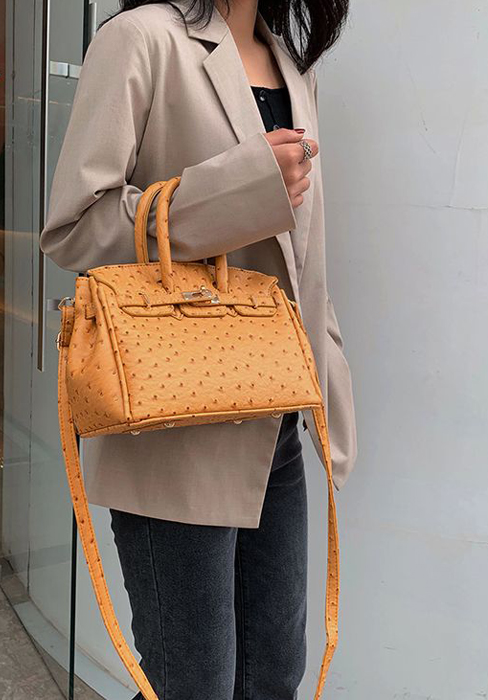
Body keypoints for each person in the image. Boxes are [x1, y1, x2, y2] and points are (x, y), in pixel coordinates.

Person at [40, 0, 358, 697]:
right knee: (194, 683)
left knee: (273, 676)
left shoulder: (294, 70)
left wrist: (325, 369)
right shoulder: (140, 40)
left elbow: (302, 258)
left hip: (275, 417)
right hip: (172, 425)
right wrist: (234, 190)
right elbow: (74, 227)